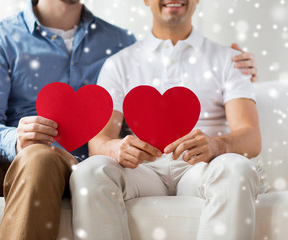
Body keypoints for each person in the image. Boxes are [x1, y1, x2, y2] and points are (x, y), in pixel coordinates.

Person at [0, 0, 258, 239]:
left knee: (40, 156)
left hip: (60, 162)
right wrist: (13, 139)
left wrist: (235, 64)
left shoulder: (116, 42)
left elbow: (158, 68)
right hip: (4, 159)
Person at [70, 0, 266, 239]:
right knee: (88, 171)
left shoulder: (232, 60)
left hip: (201, 169)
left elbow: (251, 137)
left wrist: (216, 145)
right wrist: (116, 147)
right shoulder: (119, 64)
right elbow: (98, 142)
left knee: (238, 168)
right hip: (143, 171)